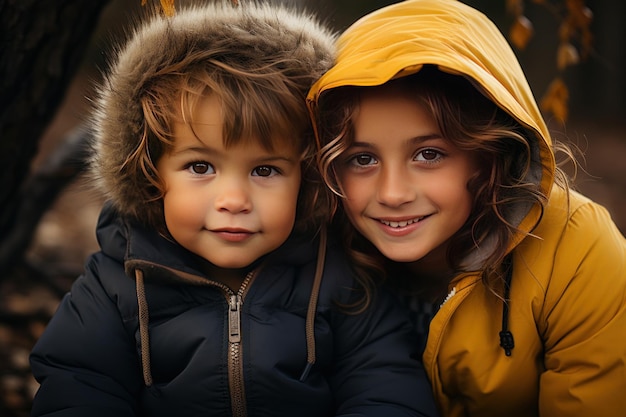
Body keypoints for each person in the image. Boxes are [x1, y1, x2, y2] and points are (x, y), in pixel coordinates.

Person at [28, 2, 440, 416]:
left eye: (265, 169)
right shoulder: (118, 280)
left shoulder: (338, 279)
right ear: (152, 173)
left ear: (308, 178)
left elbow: (385, 385)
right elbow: (79, 383)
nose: (235, 200)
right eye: (201, 167)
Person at [307, 0, 626, 416]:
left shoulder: (577, 251)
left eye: (428, 155)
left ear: (490, 153)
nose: (393, 193)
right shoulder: (308, 257)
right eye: (362, 159)